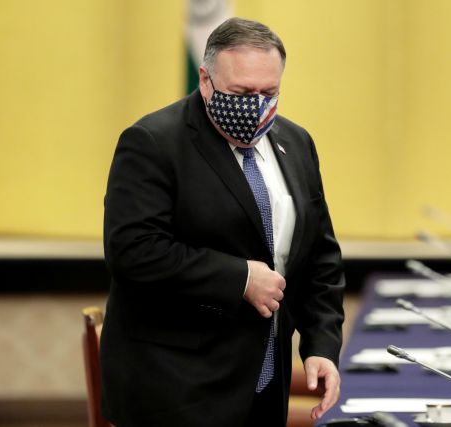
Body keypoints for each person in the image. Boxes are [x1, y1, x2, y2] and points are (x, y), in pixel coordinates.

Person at [100, 17, 345, 427]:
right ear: (205, 80)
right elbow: (133, 251)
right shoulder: (153, 142)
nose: (256, 104)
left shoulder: (296, 142)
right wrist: (239, 278)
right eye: (241, 93)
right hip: (176, 388)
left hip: (265, 384)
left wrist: (321, 345)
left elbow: (320, 256)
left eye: (269, 93)